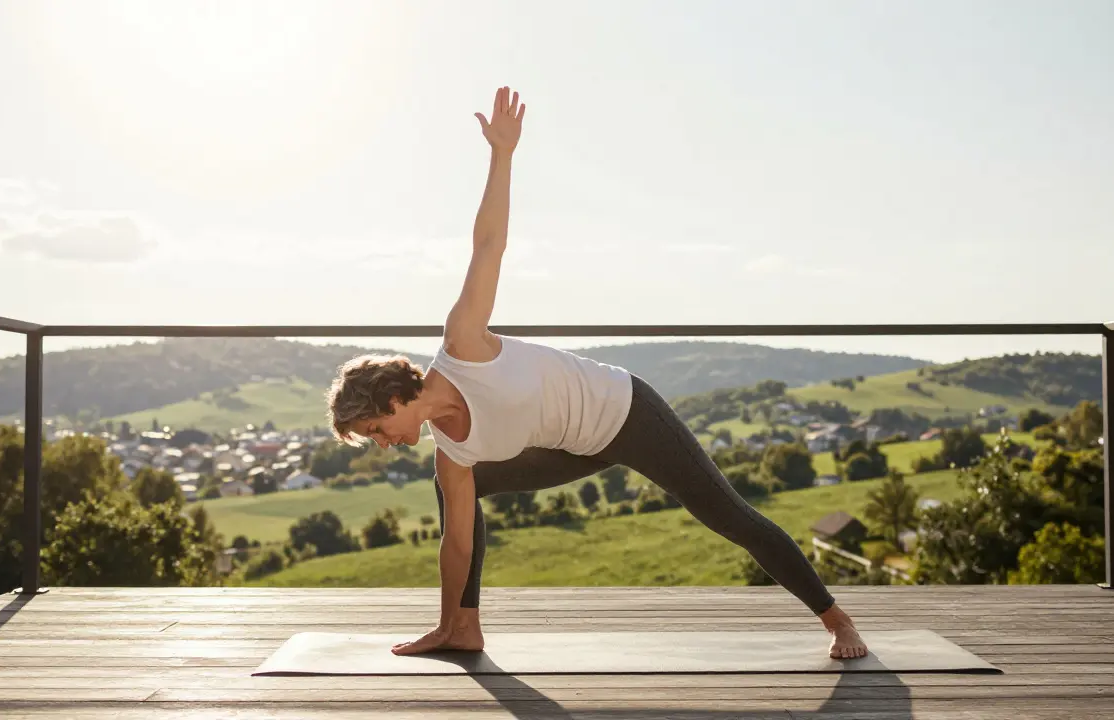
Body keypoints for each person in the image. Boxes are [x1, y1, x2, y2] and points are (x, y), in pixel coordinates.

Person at [325, 86, 868, 660]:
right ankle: (463, 628)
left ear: (391, 399)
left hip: (626, 412)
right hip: (575, 447)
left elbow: (488, 246)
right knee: (458, 489)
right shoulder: (451, 456)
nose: (382, 444)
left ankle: (838, 621)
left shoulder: (462, 343)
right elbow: (455, 546)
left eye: (375, 431)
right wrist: (439, 624)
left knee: (726, 514)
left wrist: (502, 155)